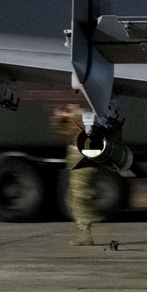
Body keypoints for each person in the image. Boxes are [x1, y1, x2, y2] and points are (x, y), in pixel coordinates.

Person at [51, 105, 105, 247]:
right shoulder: (74, 121)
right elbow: (59, 127)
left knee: (78, 199)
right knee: (72, 199)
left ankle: (87, 232)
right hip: (78, 158)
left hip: (82, 160)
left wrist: (67, 114)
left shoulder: (84, 117)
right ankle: (87, 226)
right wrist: (62, 116)